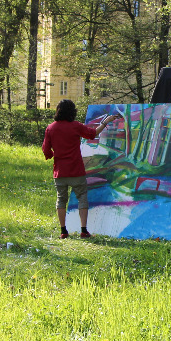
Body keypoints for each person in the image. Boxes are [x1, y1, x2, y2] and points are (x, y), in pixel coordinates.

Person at [42, 99, 117, 239]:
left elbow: (46, 150)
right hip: (76, 170)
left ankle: (63, 231)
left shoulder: (50, 128)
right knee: (82, 198)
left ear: (58, 111)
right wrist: (105, 122)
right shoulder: (76, 126)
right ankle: (83, 230)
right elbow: (93, 134)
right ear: (73, 112)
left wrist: (53, 155)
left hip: (60, 171)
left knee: (61, 200)